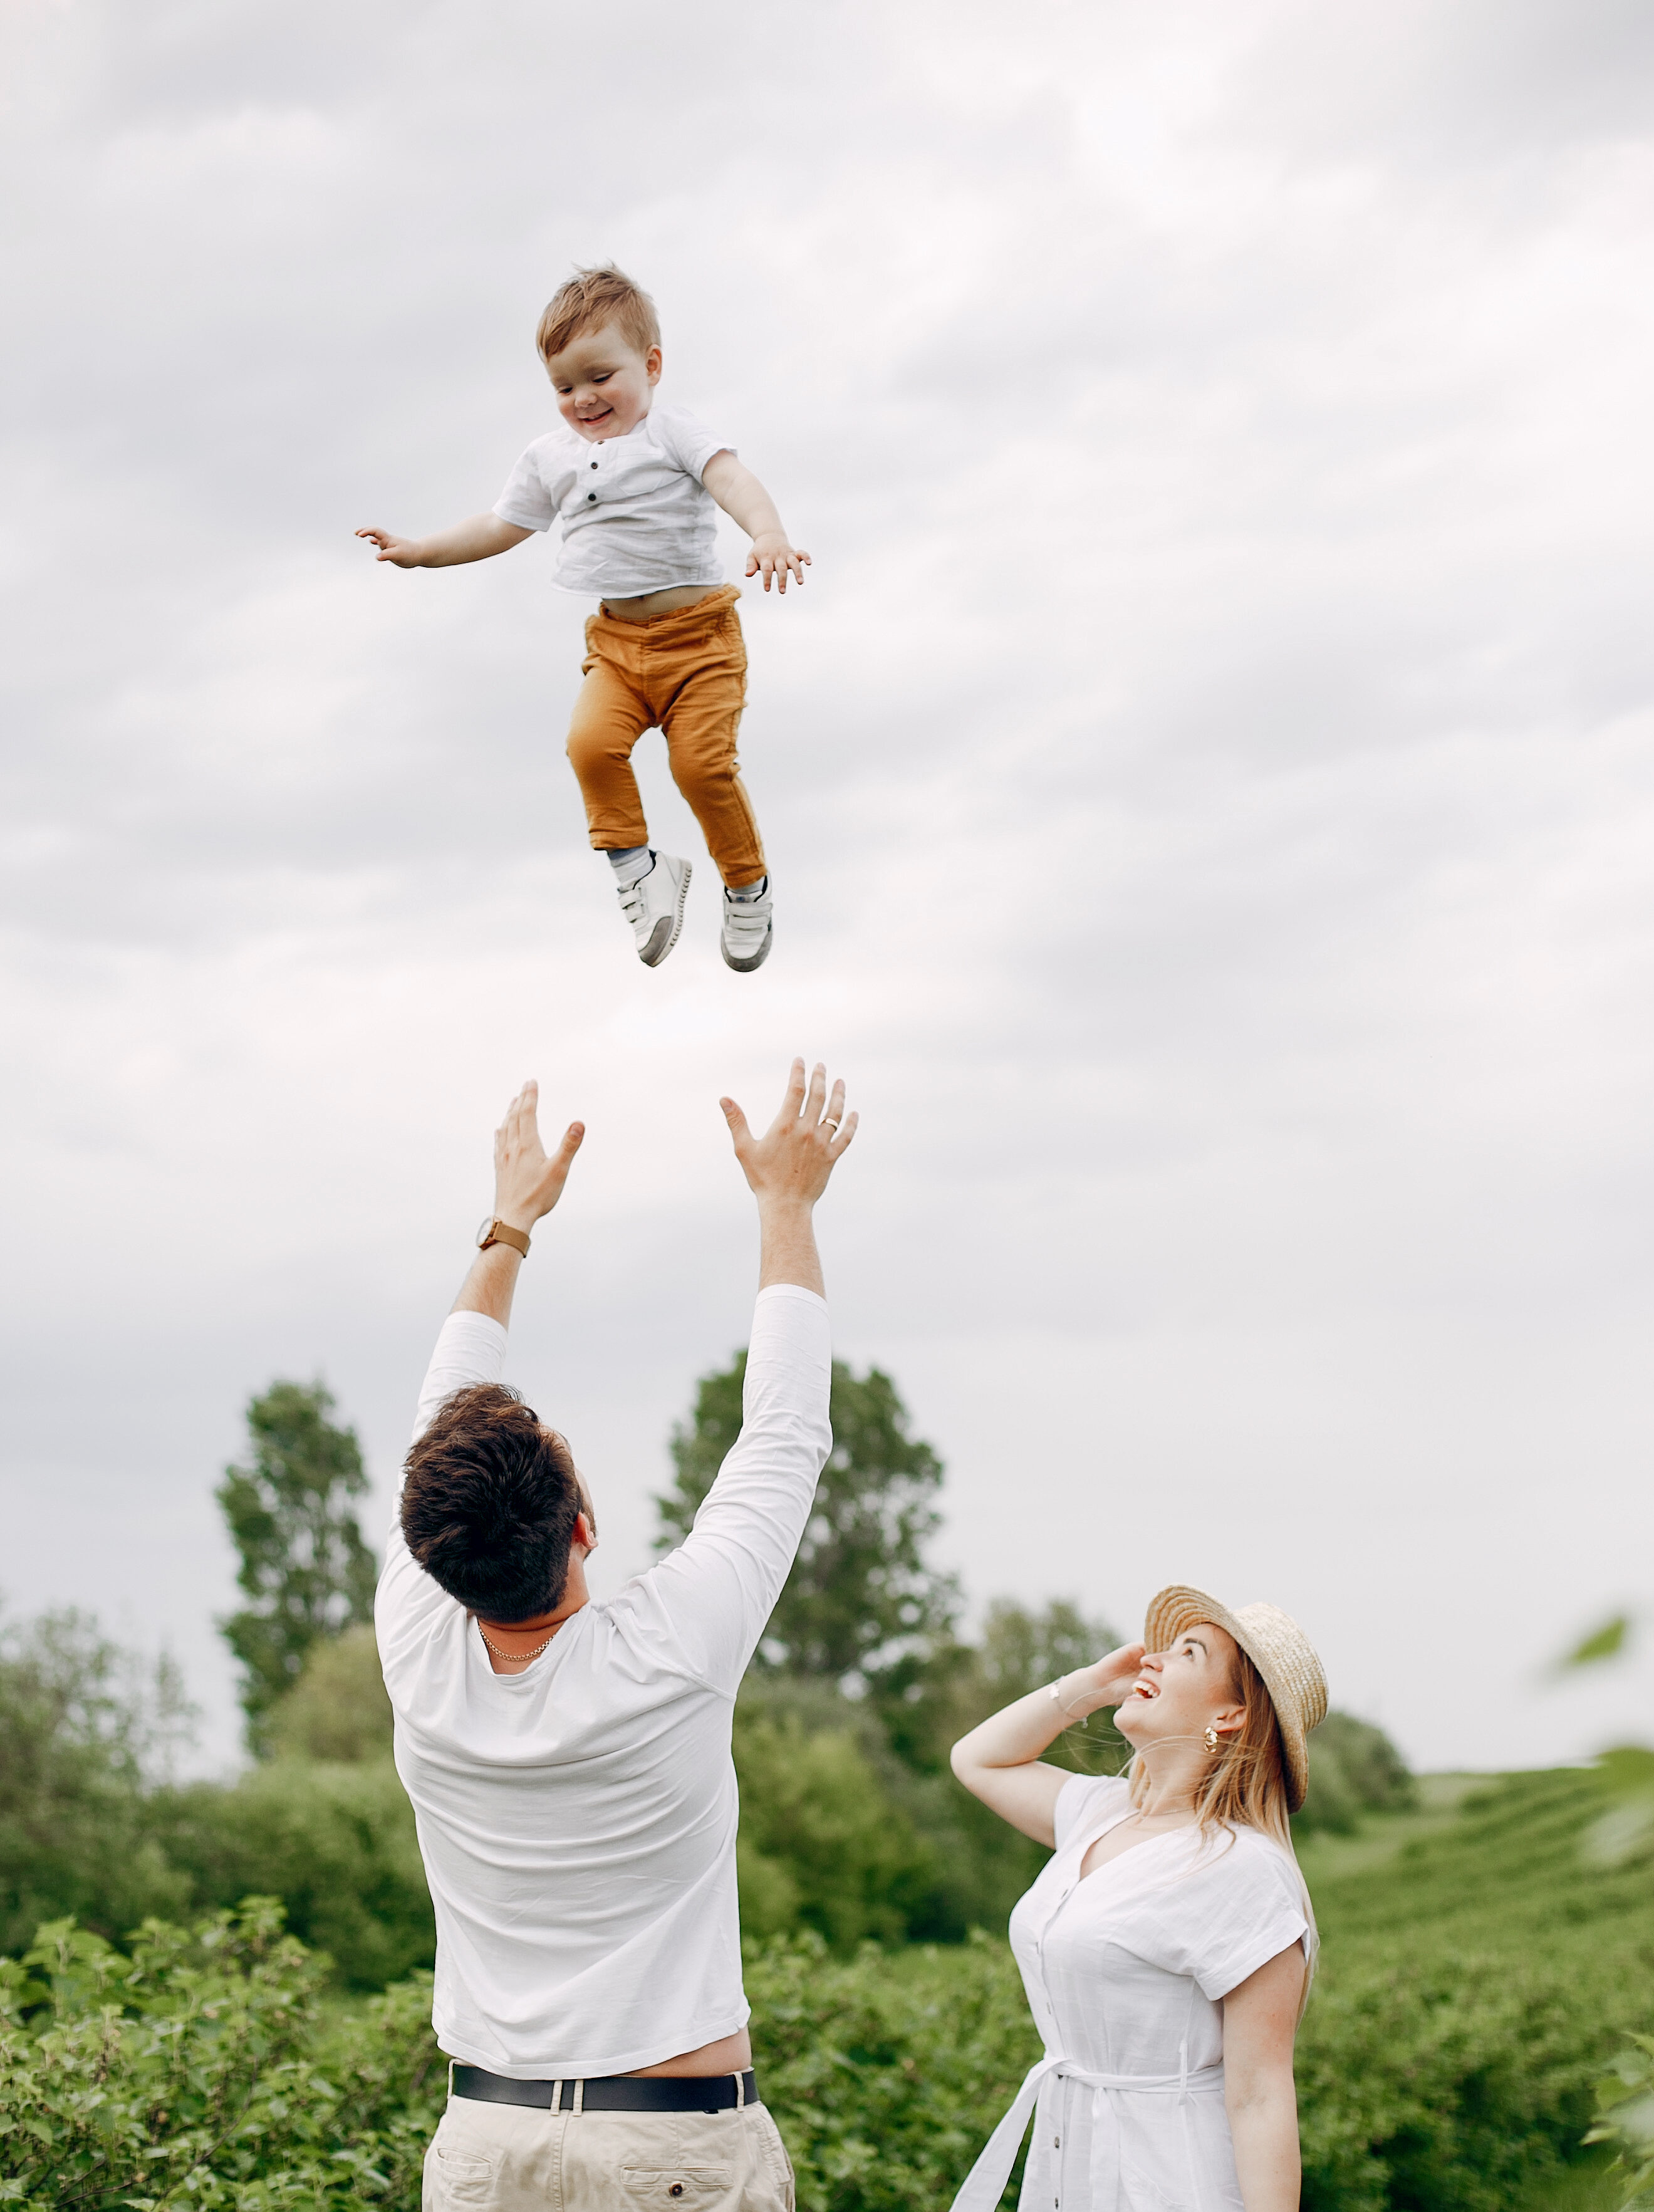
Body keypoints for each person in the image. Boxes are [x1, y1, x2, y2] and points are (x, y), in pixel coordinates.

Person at [376, 1060, 856, 2211]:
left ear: (431, 1553)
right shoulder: (671, 1649)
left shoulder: (416, 1645)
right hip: (669, 2149)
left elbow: (441, 1413)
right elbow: (785, 1433)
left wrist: (508, 1223)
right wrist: (786, 1206)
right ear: (584, 1527)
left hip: (486, 2145)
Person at [357, 264, 809, 976]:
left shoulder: (671, 432)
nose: (584, 398)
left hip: (700, 643)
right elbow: (498, 526)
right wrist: (421, 552)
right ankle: (640, 870)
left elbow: (730, 479)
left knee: (700, 769)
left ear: (651, 366)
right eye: (564, 387)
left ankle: (747, 885)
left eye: (601, 376)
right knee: (589, 748)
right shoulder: (551, 458)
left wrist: (768, 532)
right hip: (617, 647)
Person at [947, 1587, 1328, 2212]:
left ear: (1231, 1714)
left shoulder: (1244, 1868)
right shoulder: (1101, 1812)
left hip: (1170, 2182)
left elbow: (1259, 2095)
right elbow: (976, 1760)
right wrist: (1089, 1688)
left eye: (1188, 1652)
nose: (1152, 1657)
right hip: (1069, 2167)